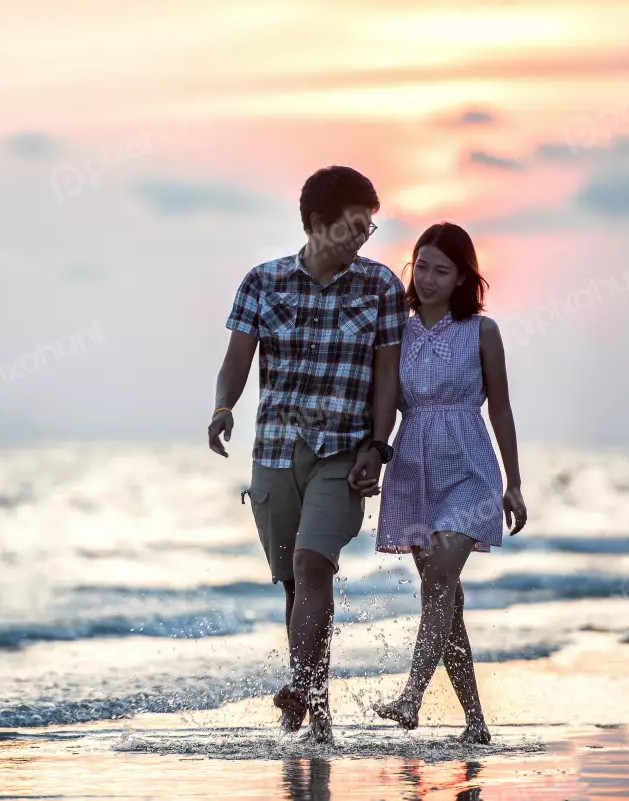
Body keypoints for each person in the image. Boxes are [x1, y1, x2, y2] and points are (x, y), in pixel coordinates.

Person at [208, 166, 408, 743]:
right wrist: (223, 408)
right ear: (319, 223)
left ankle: (301, 688)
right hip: (274, 449)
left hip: (342, 452)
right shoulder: (262, 282)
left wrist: (378, 444)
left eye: (369, 229)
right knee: (296, 585)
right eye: (353, 228)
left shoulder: (379, 287)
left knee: (312, 564)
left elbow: (387, 378)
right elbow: (236, 361)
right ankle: (316, 708)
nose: (362, 239)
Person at [372, 222, 528, 744]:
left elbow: (501, 407)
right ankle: (477, 725)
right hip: (413, 471)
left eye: (443, 270)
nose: (430, 277)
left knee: (439, 579)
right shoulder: (398, 329)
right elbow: (385, 402)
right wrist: (369, 456)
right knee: (445, 600)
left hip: (470, 469)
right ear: (411, 267)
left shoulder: (483, 332)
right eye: (422, 266)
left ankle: (410, 698)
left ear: (463, 277)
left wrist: (515, 481)